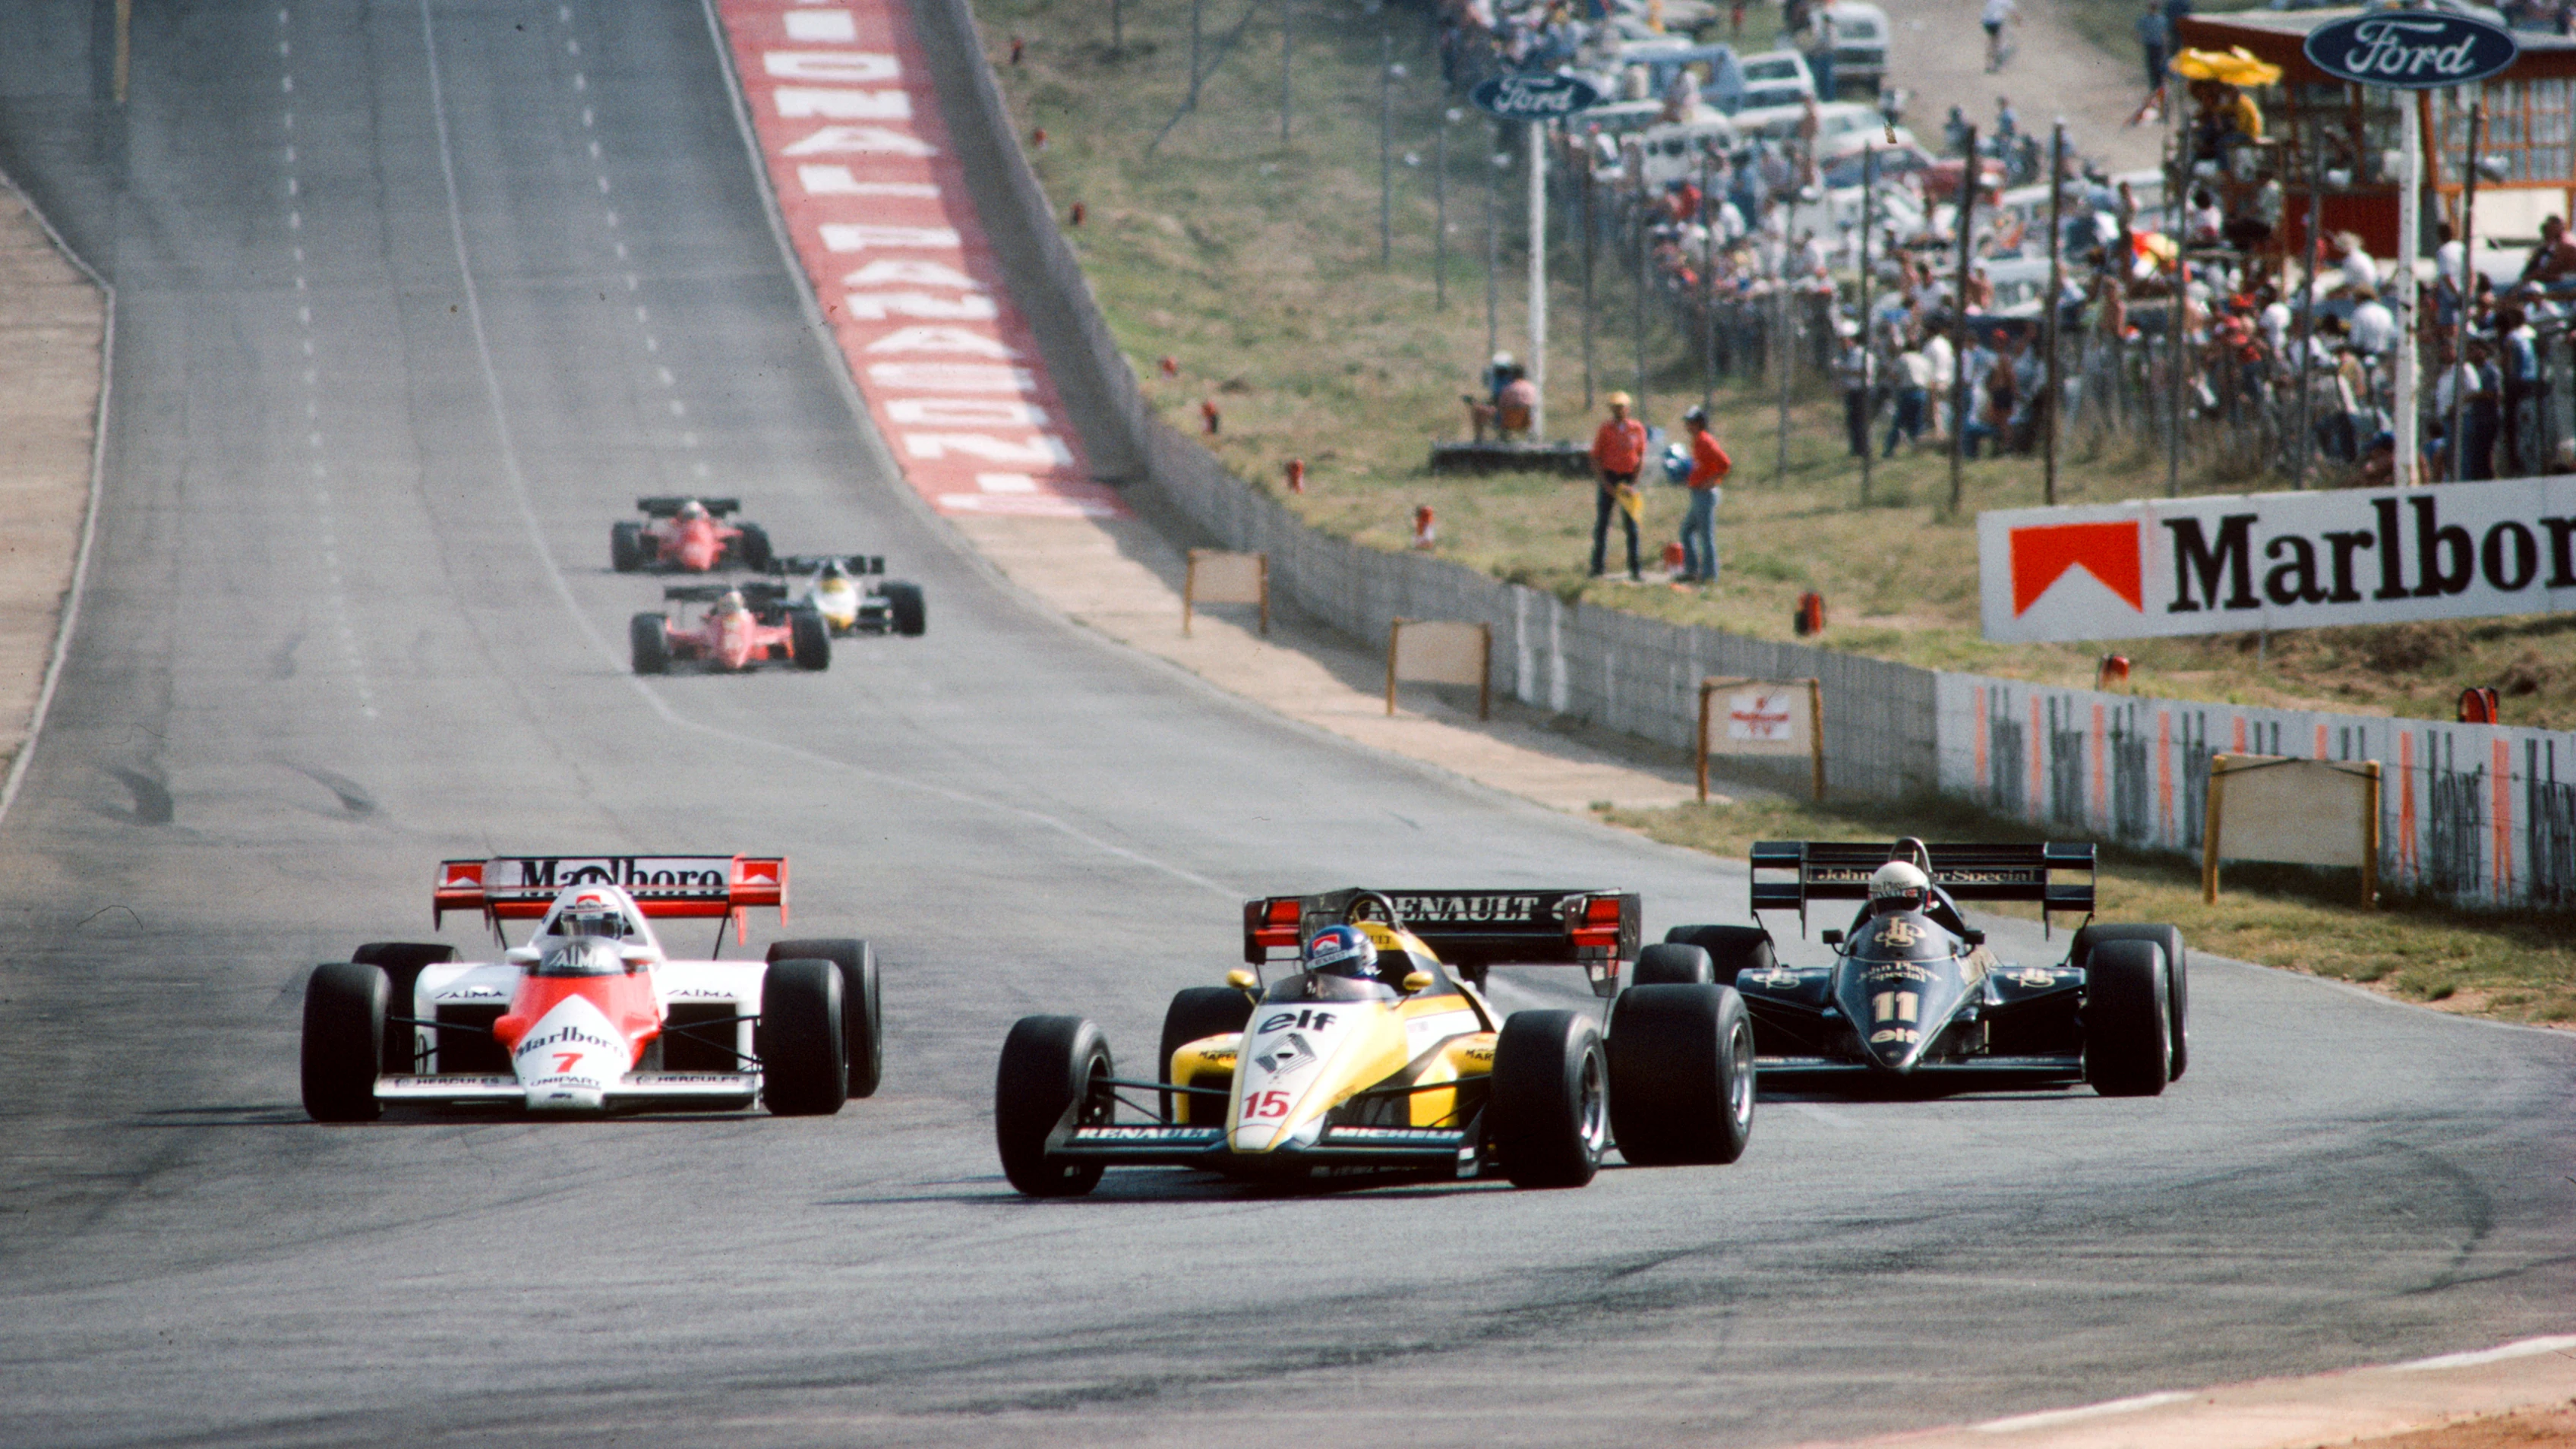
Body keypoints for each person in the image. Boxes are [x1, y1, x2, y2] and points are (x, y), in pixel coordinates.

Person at [1589, 392, 1649, 581]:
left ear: (1628, 408)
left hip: (1628, 478)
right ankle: (1597, 566)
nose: (1619, 410)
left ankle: (1635, 568)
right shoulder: (1606, 429)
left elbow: (1640, 456)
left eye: (1622, 407)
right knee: (1603, 524)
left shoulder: (1636, 429)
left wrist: (1634, 482)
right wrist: (1605, 483)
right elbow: (1596, 457)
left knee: (1631, 525)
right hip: (1610, 476)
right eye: (1615, 407)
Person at [1678, 405, 1730, 585]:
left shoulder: (1706, 440)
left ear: (1700, 423)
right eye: (1688, 423)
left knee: (1705, 536)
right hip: (1697, 493)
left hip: (1704, 494)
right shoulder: (1698, 441)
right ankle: (1692, 570)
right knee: (1686, 531)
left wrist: (1711, 481)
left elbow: (1725, 463)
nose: (1688, 426)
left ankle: (1709, 576)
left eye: (1691, 423)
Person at [1887, 334, 1932, 455]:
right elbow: (1929, 378)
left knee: (1899, 422)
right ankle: (1918, 448)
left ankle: (1889, 449)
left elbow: (1894, 375)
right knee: (1917, 422)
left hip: (1907, 392)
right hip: (1922, 392)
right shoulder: (1923, 359)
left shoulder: (1903, 358)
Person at [1497, 365, 1539, 440]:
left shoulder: (1508, 388)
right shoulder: (1531, 388)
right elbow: (1533, 404)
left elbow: (1501, 405)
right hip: (1526, 421)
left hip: (1509, 421)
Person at [2135, 1, 2168, 93]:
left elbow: (2164, 34)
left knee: (2155, 66)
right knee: (2153, 66)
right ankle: (2156, 87)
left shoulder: (2157, 19)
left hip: (2155, 45)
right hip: (2152, 45)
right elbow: (2138, 32)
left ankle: (2158, 86)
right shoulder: (2159, 19)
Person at [1981, 0, 2018, 72]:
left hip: (1986, 21)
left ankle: (1989, 64)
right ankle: (1996, 64)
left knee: (1992, 41)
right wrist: (2019, 21)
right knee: (1998, 42)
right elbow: (2013, 12)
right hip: (1997, 21)